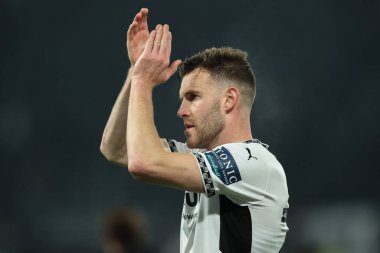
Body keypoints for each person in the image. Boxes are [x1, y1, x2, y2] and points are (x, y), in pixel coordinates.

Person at [100, 7, 289, 253]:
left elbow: (143, 164)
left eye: (193, 97)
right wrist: (134, 73)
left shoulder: (256, 163)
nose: (181, 110)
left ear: (229, 100)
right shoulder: (204, 159)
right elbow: (115, 148)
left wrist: (143, 82)